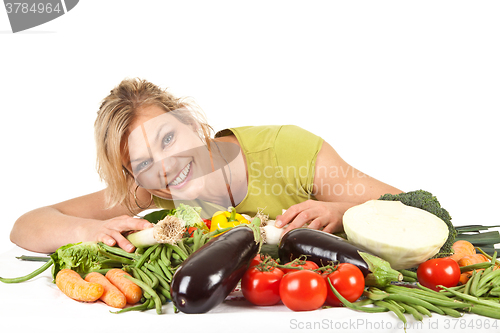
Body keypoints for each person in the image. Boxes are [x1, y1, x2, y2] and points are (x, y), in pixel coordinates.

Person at [10, 78, 402, 254]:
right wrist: (88, 229)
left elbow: (407, 205)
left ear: (193, 126)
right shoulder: (154, 190)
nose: (167, 165)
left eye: (168, 138)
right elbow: (25, 226)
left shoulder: (289, 150)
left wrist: (339, 211)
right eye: (144, 162)